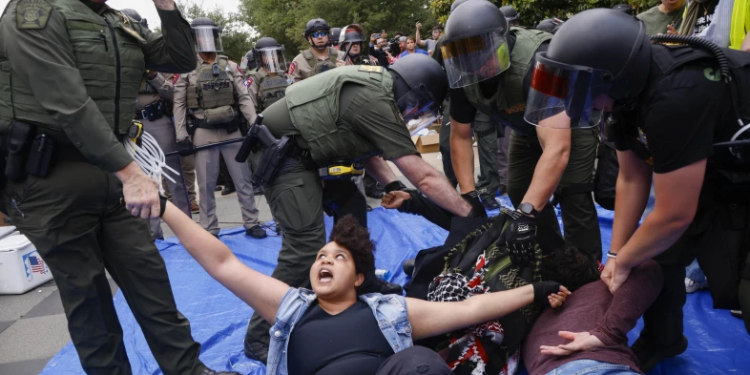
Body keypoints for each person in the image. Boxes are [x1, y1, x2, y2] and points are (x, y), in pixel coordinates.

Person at [0, 1, 238, 375]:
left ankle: (188, 370)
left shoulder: (116, 19)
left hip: (111, 168)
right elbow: (66, 101)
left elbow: (179, 59)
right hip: (51, 173)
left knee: (150, 279)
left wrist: (169, 10)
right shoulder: (35, 9)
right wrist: (130, 173)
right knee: (88, 297)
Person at [521, 8, 750, 370]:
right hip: (713, 169)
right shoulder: (621, 98)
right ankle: (664, 340)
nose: (571, 99)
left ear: (612, 80)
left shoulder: (676, 95)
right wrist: (617, 256)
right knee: (656, 257)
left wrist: (625, 259)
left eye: (579, 87)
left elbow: (675, 214)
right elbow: (632, 176)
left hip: (737, 171)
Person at [243, 55, 488, 362]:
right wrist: (468, 213)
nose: (414, 114)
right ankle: (256, 336)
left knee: (352, 204)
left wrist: (391, 187)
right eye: (418, 106)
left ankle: (363, 281)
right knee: (305, 246)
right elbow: (423, 175)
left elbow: (369, 150)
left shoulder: (375, 88)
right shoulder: (375, 98)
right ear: (414, 90)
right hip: (282, 158)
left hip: (305, 153)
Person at [159, 199, 569, 375]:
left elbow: (470, 309)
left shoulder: (389, 311)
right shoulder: (291, 307)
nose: (324, 260)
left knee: (418, 363)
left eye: (338, 257)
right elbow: (222, 262)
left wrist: (538, 289)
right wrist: (164, 207)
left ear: (358, 278)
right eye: (320, 256)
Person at [443, 0, 603, 261]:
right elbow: (460, 136)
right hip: (526, 126)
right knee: (518, 189)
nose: (478, 69)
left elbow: (557, 148)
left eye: (483, 60)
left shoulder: (538, 60)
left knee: (573, 192)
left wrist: (527, 215)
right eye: (469, 63)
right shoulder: (464, 70)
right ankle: (553, 254)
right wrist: (469, 195)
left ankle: (585, 268)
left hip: (570, 123)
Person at [173, 17, 266, 239]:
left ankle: (251, 221)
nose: (207, 40)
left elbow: (243, 97)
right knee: (206, 184)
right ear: (195, 40)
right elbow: (179, 103)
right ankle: (209, 228)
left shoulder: (230, 66)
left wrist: (254, 125)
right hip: (203, 130)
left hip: (231, 129)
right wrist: (181, 136)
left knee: (243, 179)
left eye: (210, 35)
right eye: (201, 36)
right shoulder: (186, 69)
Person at [524, 252, 664, 375]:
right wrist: (607, 333)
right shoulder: (602, 288)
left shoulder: (531, 321)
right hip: (595, 366)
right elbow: (648, 267)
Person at [121, 8, 192, 241]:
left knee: (174, 177)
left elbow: (174, 94)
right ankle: (152, 236)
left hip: (156, 121)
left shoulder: (156, 55)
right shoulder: (115, 57)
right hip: (129, 126)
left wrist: (152, 74)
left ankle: (187, 230)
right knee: (141, 181)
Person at [288, 18, 340, 82]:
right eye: (315, 34)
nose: (320, 37)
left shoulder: (341, 56)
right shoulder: (299, 62)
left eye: (323, 33)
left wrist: (345, 69)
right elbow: (293, 88)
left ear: (327, 35)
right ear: (309, 38)